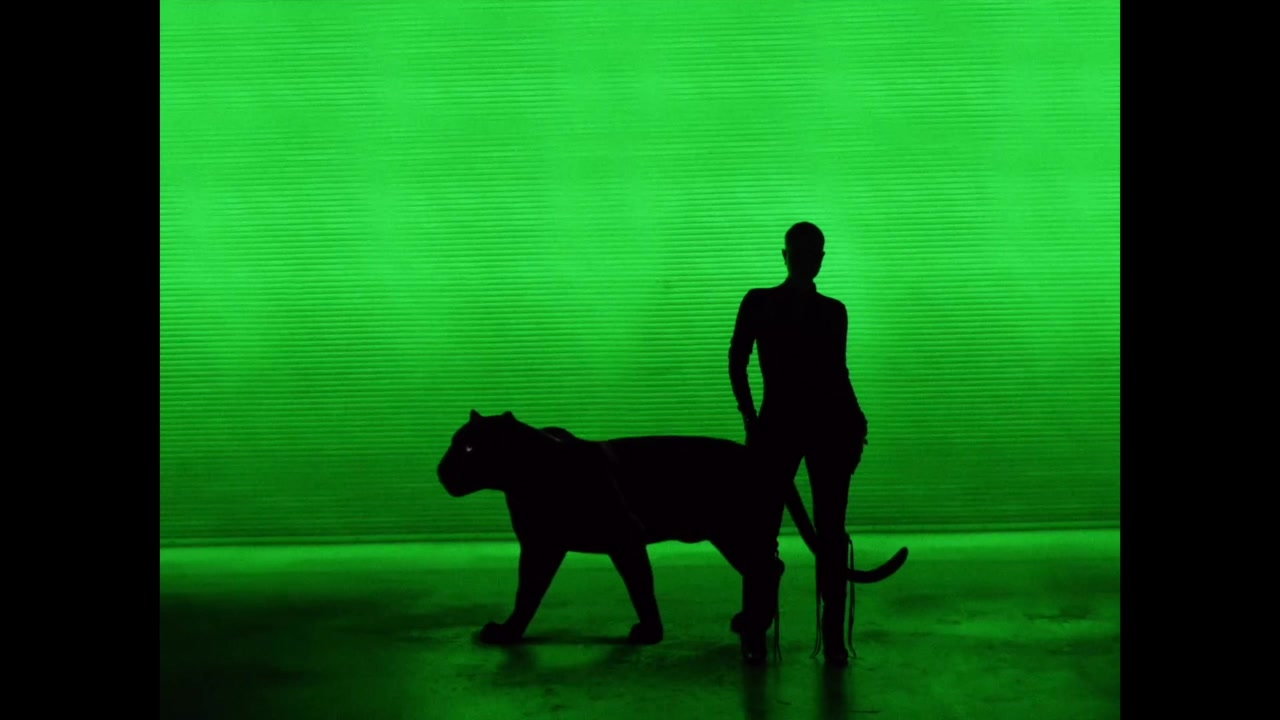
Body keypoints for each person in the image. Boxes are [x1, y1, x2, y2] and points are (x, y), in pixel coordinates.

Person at [728, 221, 869, 666]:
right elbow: (738, 361)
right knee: (806, 531)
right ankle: (823, 638)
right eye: (802, 252)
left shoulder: (771, 304)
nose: (809, 260)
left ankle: (762, 630)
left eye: (813, 253)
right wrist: (751, 419)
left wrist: (752, 420)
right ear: (787, 256)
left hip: (791, 429)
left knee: (781, 531)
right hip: (809, 429)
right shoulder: (823, 310)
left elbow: (739, 361)